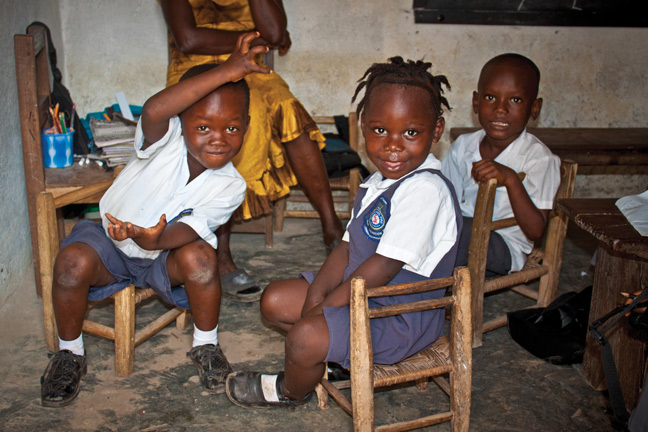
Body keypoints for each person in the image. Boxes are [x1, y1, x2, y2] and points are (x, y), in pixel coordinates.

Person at [39, 32, 269, 407]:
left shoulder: (231, 186)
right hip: (110, 244)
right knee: (70, 264)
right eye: (203, 127)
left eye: (232, 128)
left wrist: (153, 240)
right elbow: (155, 108)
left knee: (201, 259)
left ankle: (206, 346)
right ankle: (69, 353)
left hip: (165, 254)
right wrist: (229, 69)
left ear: (246, 125)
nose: (218, 139)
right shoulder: (165, 138)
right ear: (182, 122)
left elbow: (187, 231)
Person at [224, 56, 461, 408]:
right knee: (273, 301)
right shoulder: (379, 182)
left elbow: (381, 267)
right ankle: (332, 359)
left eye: (411, 132)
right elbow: (346, 249)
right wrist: (317, 294)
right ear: (364, 126)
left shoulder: (425, 189)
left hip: (397, 316)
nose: (393, 145)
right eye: (380, 130)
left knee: (303, 338)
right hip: (362, 295)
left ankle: (291, 390)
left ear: (436, 130)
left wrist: (322, 309)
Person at [161, 0, 345, 301]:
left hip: (250, 67)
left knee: (285, 104)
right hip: (194, 70)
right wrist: (256, 39)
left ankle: (332, 227)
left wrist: (263, 40)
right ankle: (221, 255)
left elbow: (275, 32)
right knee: (236, 119)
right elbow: (188, 38)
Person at [442, 53, 560, 276]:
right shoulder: (463, 146)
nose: (500, 109)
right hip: (458, 244)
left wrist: (512, 180)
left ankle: (422, 296)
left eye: (515, 100)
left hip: (503, 249)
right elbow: (446, 197)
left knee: (456, 231)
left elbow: (535, 230)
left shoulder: (539, 159)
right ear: (476, 102)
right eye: (490, 97)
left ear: (534, 108)